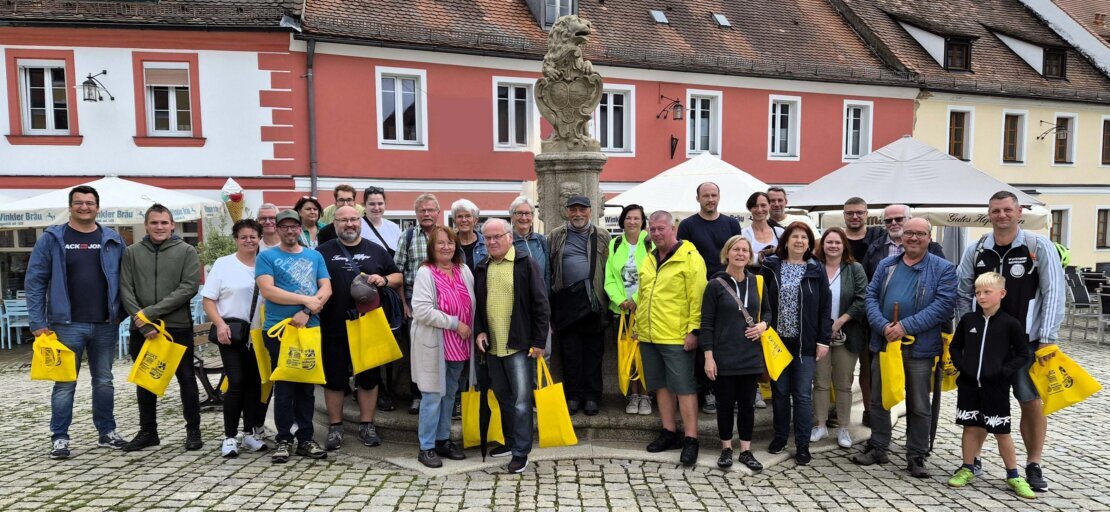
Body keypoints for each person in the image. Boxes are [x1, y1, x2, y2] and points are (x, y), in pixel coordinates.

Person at [954, 190, 1065, 492]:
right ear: (988, 214)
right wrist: (969, 327)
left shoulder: (1036, 246)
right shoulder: (976, 250)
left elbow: (1054, 292)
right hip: (986, 342)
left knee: (1029, 401)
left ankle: (1033, 463)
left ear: (1019, 212)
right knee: (978, 401)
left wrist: (1047, 339)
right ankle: (972, 460)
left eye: (1007, 210)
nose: (1001, 216)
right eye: (995, 211)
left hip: (1026, 343)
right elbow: (962, 290)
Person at [26, 185, 128, 459]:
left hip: (106, 323)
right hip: (66, 324)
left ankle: (107, 432)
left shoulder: (113, 239)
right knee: (64, 383)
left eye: (90, 203)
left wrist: (126, 313)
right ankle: (60, 437)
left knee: (104, 380)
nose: (85, 207)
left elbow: (126, 280)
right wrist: (37, 321)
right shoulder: (52, 238)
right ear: (70, 206)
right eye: (79, 202)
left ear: (98, 207)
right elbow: (35, 281)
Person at [852, 217, 956, 478]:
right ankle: (878, 446)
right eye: (909, 233)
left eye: (919, 234)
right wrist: (884, 326)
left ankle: (916, 455)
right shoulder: (887, 265)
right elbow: (871, 298)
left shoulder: (943, 268)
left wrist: (905, 327)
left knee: (920, 403)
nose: (913, 238)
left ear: (929, 237)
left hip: (920, 347)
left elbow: (943, 306)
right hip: (886, 344)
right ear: (902, 237)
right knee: (879, 398)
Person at [316, 206, 401, 451]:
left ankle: (367, 424)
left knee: (368, 378)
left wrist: (383, 280)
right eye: (344, 220)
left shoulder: (376, 250)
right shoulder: (322, 252)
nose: (350, 224)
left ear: (360, 222)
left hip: (368, 324)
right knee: (334, 380)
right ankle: (335, 427)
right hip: (333, 324)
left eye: (354, 219)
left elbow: (397, 276)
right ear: (334, 224)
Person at [120, 204, 202, 452]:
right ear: (146, 225)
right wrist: (144, 323)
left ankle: (193, 431)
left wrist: (151, 313)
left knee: (186, 379)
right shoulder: (131, 252)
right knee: (145, 381)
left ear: (172, 225)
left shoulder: (187, 251)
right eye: (154, 222)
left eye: (164, 222)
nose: (159, 227)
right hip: (142, 329)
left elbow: (189, 287)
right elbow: (125, 288)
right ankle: (148, 432)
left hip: (177, 327)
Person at [947, 272, 1034, 499]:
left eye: (987, 292)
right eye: (978, 292)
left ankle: (1014, 475)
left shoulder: (1010, 324)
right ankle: (967, 467)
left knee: (1001, 431)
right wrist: (962, 366)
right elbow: (955, 347)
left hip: (995, 388)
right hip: (968, 385)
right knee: (970, 428)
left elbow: (1023, 354)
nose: (982, 296)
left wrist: (1002, 372)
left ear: (1001, 293)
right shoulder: (969, 321)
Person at [473, 219, 550, 474]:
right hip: (493, 346)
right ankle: (510, 441)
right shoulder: (482, 267)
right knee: (503, 397)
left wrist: (540, 342)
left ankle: (521, 452)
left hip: (519, 345)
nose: (492, 242)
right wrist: (480, 330)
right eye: (488, 238)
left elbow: (541, 305)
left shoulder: (526, 264)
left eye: (497, 237)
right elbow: (479, 306)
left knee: (521, 401)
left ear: (509, 237)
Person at [256, 209, 332, 463]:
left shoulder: (314, 255)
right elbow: (268, 290)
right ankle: (284, 439)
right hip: (279, 330)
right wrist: (306, 301)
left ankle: (306, 438)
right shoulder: (267, 257)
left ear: (300, 228)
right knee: (285, 386)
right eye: (284, 226)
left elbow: (326, 288)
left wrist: (307, 311)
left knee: (306, 386)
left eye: (294, 226)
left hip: (309, 329)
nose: (290, 231)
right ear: (277, 229)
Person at [636, 210, 706, 467]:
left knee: (684, 387)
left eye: (660, 229)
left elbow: (697, 296)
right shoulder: (649, 258)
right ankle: (669, 432)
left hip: (677, 335)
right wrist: (638, 325)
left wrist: (694, 330)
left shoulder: (690, 257)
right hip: (649, 333)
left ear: (672, 228)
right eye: (652, 229)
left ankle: (691, 438)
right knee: (660, 386)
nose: (656, 234)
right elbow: (644, 295)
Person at [759, 222, 831, 465]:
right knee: (779, 393)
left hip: (805, 343)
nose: (799, 241)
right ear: (786, 241)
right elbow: (760, 299)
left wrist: (823, 340)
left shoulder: (816, 269)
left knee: (801, 395)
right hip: (777, 341)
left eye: (804, 237)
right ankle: (779, 437)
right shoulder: (771, 265)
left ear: (810, 243)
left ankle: (802, 444)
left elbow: (824, 308)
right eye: (795, 237)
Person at [701, 235, 770, 472]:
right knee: (725, 405)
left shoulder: (757, 282)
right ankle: (726, 448)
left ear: (750, 256)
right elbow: (707, 323)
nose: (741, 254)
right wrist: (709, 357)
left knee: (748, 405)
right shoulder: (714, 285)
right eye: (736, 249)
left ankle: (746, 451)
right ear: (727, 253)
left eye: (745, 250)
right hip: (724, 355)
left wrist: (763, 326)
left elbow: (769, 313)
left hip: (750, 355)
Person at [201, 219, 269, 457]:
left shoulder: (266, 262)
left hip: (259, 335)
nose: (249, 240)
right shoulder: (224, 264)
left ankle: (249, 433)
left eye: (253, 236)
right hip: (231, 333)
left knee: (254, 384)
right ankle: (230, 436)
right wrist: (219, 324)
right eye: (243, 237)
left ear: (260, 237)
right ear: (236, 240)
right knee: (236, 381)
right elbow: (208, 300)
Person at [410, 226, 475, 468]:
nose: (446, 247)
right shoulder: (426, 273)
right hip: (434, 344)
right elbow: (422, 310)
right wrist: (455, 323)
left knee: (449, 396)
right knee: (431, 396)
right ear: (432, 247)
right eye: (440, 243)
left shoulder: (463, 270)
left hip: (459, 345)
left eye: (450, 242)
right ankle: (426, 446)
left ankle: (442, 440)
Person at [677, 182, 741, 415]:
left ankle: (729, 390)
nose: (710, 199)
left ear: (719, 197)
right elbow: (683, 258)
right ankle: (708, 391)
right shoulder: (687, 225)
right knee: (705, 337)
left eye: (714, 195)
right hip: (701, 290)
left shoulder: (731, 223)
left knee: (727, 338)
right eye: (706, 195)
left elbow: (738, 252)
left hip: (728, 288)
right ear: (698, 198)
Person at [549, 194, 610, 416]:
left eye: (582, 210)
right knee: (570, 353)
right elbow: (550, 268)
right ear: (567, 212)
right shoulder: (556, 236)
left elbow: (609, 267)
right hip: (566, 301)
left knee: (594, 353)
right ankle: (573, 396)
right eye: (573, 210)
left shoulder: (602, 235)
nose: (578, 214)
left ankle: (592, 397)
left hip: (594, 301)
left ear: (590, 212)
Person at [811, 227, 868, 448]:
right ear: (822, 245)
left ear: (844, 245)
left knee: (844, 383)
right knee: (821, 382)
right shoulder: (814, 267)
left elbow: (862, 299)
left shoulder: (854, 269)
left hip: (847, 333)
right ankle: (820, 425)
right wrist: (824, 326)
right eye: (829, 242)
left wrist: (841, 321)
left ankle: (844, 428)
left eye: (837, 242)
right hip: (819, 335)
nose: (833, 246)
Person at [395, 193, 443, 415]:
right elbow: (398, 273)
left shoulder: (445, 236)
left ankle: (442, 393)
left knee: (443, 351)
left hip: (443, 303)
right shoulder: (408, 236)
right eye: (422, 210)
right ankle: (417, 396)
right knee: (417, 352)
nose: (426, 214)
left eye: (430, 210)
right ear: (416, 214)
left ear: (438, 213)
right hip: (415, 303)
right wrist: (403, 304)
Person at [604, 204, 653, 415]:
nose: (632, 222)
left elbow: (653, 276)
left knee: (645, 354)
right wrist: (621, 299)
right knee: (628, 354)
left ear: (643, 221)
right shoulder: (615, 244)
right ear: (622, 221)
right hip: (622, 311)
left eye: (637, 218)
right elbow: (609, 278)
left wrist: (636, 298)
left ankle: (646, 395)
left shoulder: (650, 244)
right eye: (628, 218)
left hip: (646, 309)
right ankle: (632, 396)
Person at [841, 197, 884, 426]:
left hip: (870, 315)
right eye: (850, 213)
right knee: (841, 369)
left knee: (868, 368)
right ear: (844, 214)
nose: (854, 216)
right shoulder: (837, 239)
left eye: (859, 212)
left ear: (867, 213)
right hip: (841, 314)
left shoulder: (878, 238)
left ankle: (869, 412)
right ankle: (836, 411)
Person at [861, 204, 945, 279]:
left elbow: (942, 277)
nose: (893, 223)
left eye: (898, 219)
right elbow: (866, 279)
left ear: (909, 219)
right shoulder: (874, 248)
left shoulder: (931, 248)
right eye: (888, 220)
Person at [319, 186, 402, 252]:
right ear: (364, 205)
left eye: (380, 204)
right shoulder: (352, 227)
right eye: (372, 204)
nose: (376, 208)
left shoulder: (394, 227)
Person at [509, 196, 550, 286]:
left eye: (527, 213)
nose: (524, 218)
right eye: (519, 213)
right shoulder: (507, 242)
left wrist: (547, 295)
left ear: (532, 216)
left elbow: (547, 271)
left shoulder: (541, 240)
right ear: (512, 216)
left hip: (540, 294)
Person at [741, 191, 783, 267]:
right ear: (750, 208)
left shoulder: (780, 232)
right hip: (754, 278)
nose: (759, 210)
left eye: (763, 205)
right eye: (755, 206)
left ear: (769, 206)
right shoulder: (743, 234)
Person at [452, 199, 488, 271]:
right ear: (454, 221)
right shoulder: (450, 244)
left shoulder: (486, 243)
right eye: (459, 216)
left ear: (475, 220)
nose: (464, 220)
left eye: (468, 216)